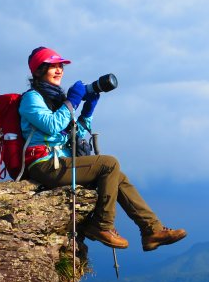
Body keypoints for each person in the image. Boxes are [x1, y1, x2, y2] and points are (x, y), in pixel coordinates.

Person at [19, 46, 187, 251]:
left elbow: (75, 135)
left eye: (60, 66)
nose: (59, 70)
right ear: (38, 70)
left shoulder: (57, 100)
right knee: (109, 164)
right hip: (44, 165)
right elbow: (52, 125)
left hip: (62, 163)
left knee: (118, 176)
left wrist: (87, 113)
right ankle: (102, 225)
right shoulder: (31, 98)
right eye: (53, 66)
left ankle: (152, 230)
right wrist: (72, 101)